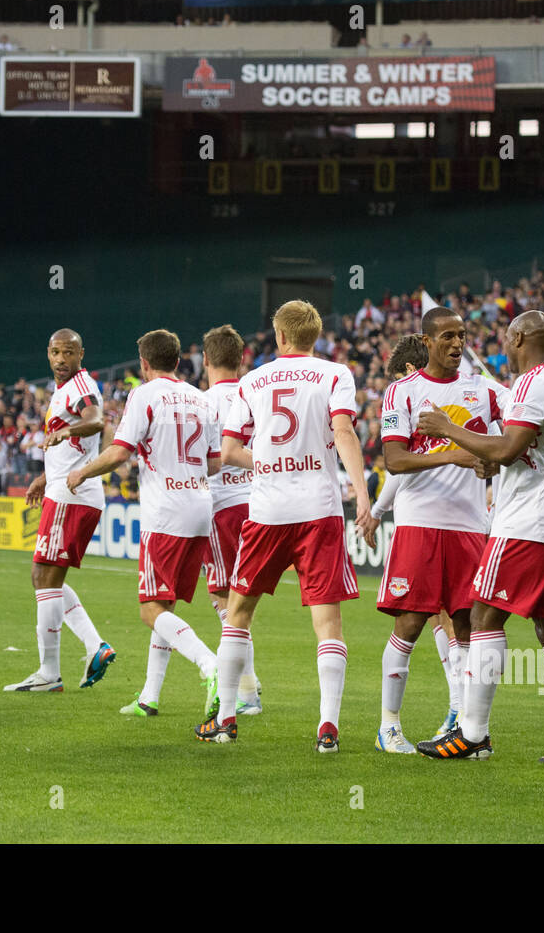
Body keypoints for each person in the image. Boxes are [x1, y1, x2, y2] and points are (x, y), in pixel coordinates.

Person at [416, 310, 544, 767]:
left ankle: (472, 733)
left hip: (528, 523)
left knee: (483, 616)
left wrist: (448, 429)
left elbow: (511, 447)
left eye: (506, 338)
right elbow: (531, 451)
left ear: (517, 338)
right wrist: (493, 461)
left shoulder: (532, 384)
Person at [195, 300, 371, 753]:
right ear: (316, 336)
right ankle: (327, 727)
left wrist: (271, 464)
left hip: (268, 510)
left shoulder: (252, 381)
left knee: (238, 614)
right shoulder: (336, 374)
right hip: (320, 509)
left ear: (279, 336)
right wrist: (364, 496)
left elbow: (231, 450)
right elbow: (345, 434)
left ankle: (227, 717)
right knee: (327, 622)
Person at [66, 329, 221, 716]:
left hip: (165, 513)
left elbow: (120, 452)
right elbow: (215, 464)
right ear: (178, 361)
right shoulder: (202, 399)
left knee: (150, 611)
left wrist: (83, 472)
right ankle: (149, 697)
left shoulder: (143, 395)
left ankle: (211, 664)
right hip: (201, 509)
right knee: (166, 605)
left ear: (145, 364)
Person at [371, 320, 504, 754]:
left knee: (468, 625)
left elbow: (526, 417)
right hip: (419, 523)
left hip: (469, 525)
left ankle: (468, 731)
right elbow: (394, 459)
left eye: (462, 335)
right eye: (447, 336)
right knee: (409, 623)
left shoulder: (482, 389)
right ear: (427, 341)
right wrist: (460, 453)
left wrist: (484, 459)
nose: (457, 343)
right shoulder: (403, 391)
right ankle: (389, 725)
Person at [3, 329, 115, 693]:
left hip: (73, 496)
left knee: (43, 577)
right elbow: (74, 448)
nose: (61, 359)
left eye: (69, 353)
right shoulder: (63, 391)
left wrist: (66, 433)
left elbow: (97, 420)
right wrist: (44, 476)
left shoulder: (82, 386)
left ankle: (50, 673)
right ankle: (93, 646)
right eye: (56, 352)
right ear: (47, 353)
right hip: (62, 490)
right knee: (46, 580)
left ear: (81, 354)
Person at [195, 324, 261, 717]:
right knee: (243, 601)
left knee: (227, 604)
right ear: (241, 359)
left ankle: (245, 694)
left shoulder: (202, 403)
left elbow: (201, 459)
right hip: (260, 504)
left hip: (221, 507)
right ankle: (247, 690)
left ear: (205, 359)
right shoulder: (254, 394)